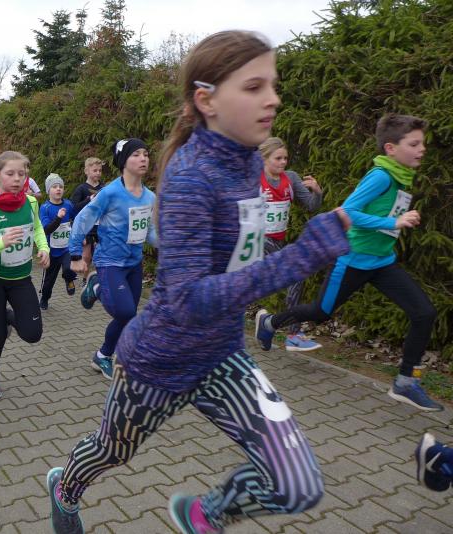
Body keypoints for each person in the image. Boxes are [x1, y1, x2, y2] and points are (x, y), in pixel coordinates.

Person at [47, 30, 352, 534]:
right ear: (207, 100)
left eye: (273, 85)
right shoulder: (190, 177)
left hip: (222, 356)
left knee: (297, 483)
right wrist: (302, 256)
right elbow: (189, 300)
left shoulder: (250, 163)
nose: (273, 99)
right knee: (111, 451)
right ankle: (65, 488)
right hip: (159, 361)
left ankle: (203, 515)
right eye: (254, 87)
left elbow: (240, 259)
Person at [256, 113, 440, 412]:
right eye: (414, 144)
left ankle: (406, 382)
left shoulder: (403, 175)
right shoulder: (381, 176)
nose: (422, 149)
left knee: (424, 313)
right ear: (391, 148)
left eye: (422, 143)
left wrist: (397, 219)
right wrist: (394, 221)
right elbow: (348, 211)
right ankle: (269, 322)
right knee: (320, 312)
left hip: (382, 262)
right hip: (352, 260)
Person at [68, 138, 157, 380]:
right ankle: (96, 286)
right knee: (126, 311)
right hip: (110, 263)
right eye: (136, 154)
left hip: (134, 263)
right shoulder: (109, 193)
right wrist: (75, 254)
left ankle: (103, 355)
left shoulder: (150, 197)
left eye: (145, 154)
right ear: (123, 161)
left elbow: (149, 232)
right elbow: (82, 220)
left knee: (127, 316)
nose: (143, 158)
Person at [0, 151, 50, 400]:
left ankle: (7, 317)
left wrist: (44, 248)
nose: (17, 179)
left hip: (20, 279)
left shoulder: (31, 202)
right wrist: (1, 243)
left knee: (32, 333)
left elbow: (37, 227)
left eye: (21, 174)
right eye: (10, 173)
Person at [257, 137, 324, 351]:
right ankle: (293, 334)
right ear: (264, 159)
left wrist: (317, 191)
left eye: (285, 158)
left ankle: (267, 326)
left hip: (277, 242)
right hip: (257, 242)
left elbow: (311, 206)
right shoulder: (253, 178)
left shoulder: (291, 178)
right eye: (278, 158)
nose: (283, 162)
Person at [38, 173, 77, 310]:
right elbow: (47, 230)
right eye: (54, 186)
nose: (58, 189)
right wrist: (59, 218)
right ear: (48, 190)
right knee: (49, 281)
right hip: (52, 250)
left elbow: (77, 218)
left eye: (61, 186)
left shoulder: (68, 204)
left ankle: (69, 279)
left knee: (69, 268)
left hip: (66, 248)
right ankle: (45, 298)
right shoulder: (45, 208)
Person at [70, 157, 105, 285]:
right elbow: (74, 208)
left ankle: (100, 279)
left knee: (102, 254)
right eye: (95, 170)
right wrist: (88, 200)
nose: (98, 173)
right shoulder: (81, 188)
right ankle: (85, 280)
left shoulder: (104, 188)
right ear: (86, 171)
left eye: (100, 170)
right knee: (86, 256)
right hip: (86, 227)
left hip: (101, 226)